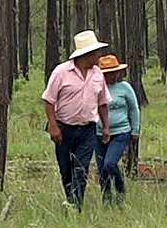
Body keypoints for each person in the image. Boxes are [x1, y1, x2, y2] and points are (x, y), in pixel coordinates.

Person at [42, 30, 112, 209]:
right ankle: (70, 198)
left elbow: (102, 102)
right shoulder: (61, 72)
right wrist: (53, 126)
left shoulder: (97, 74)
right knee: (66, 169)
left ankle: (77, 205)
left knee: (81, 168)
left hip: (88, 129)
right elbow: (49, 100)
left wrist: (106, 127)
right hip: (64, 129)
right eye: (96, 52)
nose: (99, 55)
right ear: (86, 54)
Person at [95, 53, 140, 203]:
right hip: (99, 133)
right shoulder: (96, 89)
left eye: (114, 73)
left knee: (110, 163)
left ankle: (120, 189)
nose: (112, 76)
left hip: (121, 132)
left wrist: (135, 130)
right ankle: (106, 197)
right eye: (108, 74)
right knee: (102, 169)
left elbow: (134, 109)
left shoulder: (125, 88)